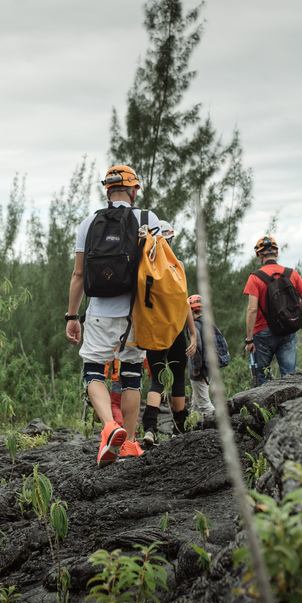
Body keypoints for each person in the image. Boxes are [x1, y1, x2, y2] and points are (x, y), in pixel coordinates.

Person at [66, 165, 159, 464]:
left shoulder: (89, 223)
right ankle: (129, 443)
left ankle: (108, 426)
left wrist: (72, 316)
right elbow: (162, 269)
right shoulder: (148, 219)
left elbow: (79, 274)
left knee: (93, 371)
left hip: (99, 311)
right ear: (134, 190)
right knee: (131, 375)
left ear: (107, 190)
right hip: (137, 313)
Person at [141, 221, 198, 446]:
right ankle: (179, 429)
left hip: (154, 331)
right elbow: (184, 304)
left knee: (157, 378)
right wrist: (192, 335)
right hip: (175, 331)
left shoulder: (145, 264)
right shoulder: (177, 265)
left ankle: (150, 429)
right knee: (177, 378)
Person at [242, 235, 302, 386]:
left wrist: (249, 339)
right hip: (287, 329)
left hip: (262, 333)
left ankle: (265, 409)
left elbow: (252, 310)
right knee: (289, 377)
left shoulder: (255, 278)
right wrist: (288, 311)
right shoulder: (291, 273)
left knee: (262, 379)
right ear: (276, 253)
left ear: (259, 255)